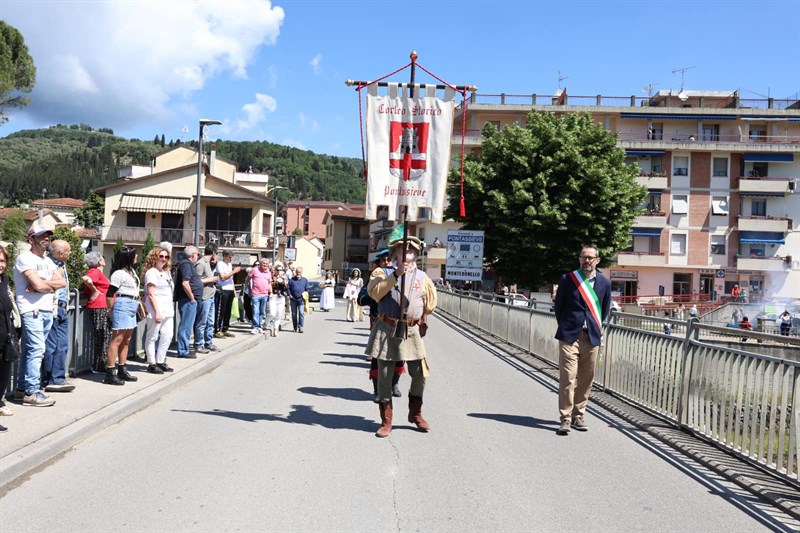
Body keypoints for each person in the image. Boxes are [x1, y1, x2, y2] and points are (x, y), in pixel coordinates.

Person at [366, 235, 436, 438]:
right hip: (387, 328)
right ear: (395, 253)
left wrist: (423, 318)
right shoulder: (382, 272)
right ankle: (386, 421)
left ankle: (415, 414)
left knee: (420, 374)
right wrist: (396, 274)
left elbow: (428, 303)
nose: (407, 253)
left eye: (411, 250)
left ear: (416, 254)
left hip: (411, 330)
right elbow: (376, 294)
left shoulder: (423, 277)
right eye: (403, 249)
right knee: (385, 377)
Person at [553, 245, 612, 435]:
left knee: (586, 379)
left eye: (590, 258)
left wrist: (593, 327)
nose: (587, 261)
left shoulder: (604, 283)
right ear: (579, 259)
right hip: (570, 336)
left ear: (597, 260)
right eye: (584, 257)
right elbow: (559, 307)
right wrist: (568, 326)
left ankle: (579, 415)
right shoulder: (568, 279)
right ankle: (565, 418)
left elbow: (604, 309)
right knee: (568, 377)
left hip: (591, 337)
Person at [14, 226, 65, 406]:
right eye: (41, 236)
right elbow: (40, 285)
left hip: (45, 309)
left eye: (48, 236)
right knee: (37, 350)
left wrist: (42, 284)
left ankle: (21, 389)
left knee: (29, 350)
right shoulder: (24, 258)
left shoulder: (48, 261)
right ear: (31, 239)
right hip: (31, 309)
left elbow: (62, 282)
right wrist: (43, 285)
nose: (46, 238)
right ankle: (32, 392)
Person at [363, 249, 405, 402]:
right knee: (377, 357)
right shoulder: (378, 273)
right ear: (379, 262)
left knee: (400, 357)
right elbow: (370, 295)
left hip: (400, 322)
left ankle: (394, 384)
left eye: (390, 259)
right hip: (381, 318)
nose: (387, 262)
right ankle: (377, 390)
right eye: (384, 260)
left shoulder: (403, 272)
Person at [42, 239, 75, 393]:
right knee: (51, 345)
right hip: (52, 308)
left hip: (63, 307)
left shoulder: (62, 265)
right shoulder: (47, 264)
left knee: (62, 345)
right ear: (61, 253)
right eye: (68, 251)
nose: (70, 254)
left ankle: (58, 378)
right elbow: (41, 284)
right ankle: (47, 378)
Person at [104, 246, 141, 385]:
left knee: (126, 339)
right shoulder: (118, 274)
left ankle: (122, 368)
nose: (136, 257)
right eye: (134, 255)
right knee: (117, 339)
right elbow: (109, 294)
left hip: (132, 304)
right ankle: (110, 372)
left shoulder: (131, 271)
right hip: (123, 304)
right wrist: (110, 310)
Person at [142, 247, 174, 374]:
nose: (163, 259)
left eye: (166, 257)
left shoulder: (166, 272)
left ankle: (160, 360)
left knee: (167, 335)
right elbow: (150, 293)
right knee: (152, 336)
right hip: (156, 309)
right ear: (155, 257)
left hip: (168, 309)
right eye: (161, 256)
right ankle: (151, 362)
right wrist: (157, 311)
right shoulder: (152, 272)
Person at [82, 252, 112, 373]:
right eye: (101, 257)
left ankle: (101, 363)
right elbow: (86, 279)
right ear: (99, 261)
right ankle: (99, 364)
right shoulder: (94, 271)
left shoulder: (97, 272)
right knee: (103, 336)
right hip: (98, 306)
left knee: (104, 335)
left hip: (101, 306)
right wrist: (95, 291)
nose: (103, 259)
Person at [0, 247, 18, 429]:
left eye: (3, 261)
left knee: (3, 378)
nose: (1, 264)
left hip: (6, 338)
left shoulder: (4, 281)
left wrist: (14, 335)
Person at [174, 245, 202, 359]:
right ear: (192, 255)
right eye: (197, 254)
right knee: (186, 326)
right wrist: (191, 298)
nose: (198, 256)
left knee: (187, 326)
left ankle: (184, 349)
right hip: (187, 300)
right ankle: (183, 351)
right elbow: (185, 283)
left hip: (188, 300)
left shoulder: (188, 264)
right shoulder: (186, 264)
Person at [193, 244, 219, 353]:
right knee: (202, 322)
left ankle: (208, 342)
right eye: (216, 254)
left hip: (211, 296)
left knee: (210, 321)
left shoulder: (208, 263)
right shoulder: (201, 263)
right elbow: (196, 280)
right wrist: (211, 279)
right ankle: (199, 343)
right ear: (213, 253)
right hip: (204, 297)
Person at [213, 250, 242, 339]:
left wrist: (233, 290)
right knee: (221, 310)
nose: (231, 258)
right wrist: (234, 271)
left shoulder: (229, 264)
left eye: (232, 256)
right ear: (225, 256)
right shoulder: (220, 264)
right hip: (223, 289)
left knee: (228, 311)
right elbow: (223, 277)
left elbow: (231, 279)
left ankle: (225, 328)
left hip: (229, 289)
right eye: (229, 256)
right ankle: (217, 329)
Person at [248, 258, 272, 334]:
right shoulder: (255, 270)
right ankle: (255, 327)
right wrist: (249, 290)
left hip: (264, 294)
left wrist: (270, 292)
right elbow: (248, 279)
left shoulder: (268, 272)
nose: (265, 265)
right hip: (255, 294)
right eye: (263, 264)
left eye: (266, 264)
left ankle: (259, 326)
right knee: (256, 311)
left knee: (261, 312)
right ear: (261, 264)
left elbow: (269, 283)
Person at [267, 262, 288, 337]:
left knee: (278, 314)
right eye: (277, 270)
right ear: (275, 270)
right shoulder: (271, 277)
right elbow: (269, 285)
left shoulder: (283, 278)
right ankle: (266, 323)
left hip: (281, 297)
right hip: (274, 296)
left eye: (280, 270)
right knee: (272, 313)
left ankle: (276, 329)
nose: (279, 271)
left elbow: (286, 288)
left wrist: (285, 283)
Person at [287, 266, 309, 333]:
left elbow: (307, 289)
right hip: (293, 299)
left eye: (299, 272)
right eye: (297, 272)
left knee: (301, 313)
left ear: (301, 272)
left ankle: (301, 327)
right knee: (294, 314)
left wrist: (305, 295)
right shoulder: (291, 280)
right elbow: (288, 288)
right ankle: (295, 327)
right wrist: (290, 295)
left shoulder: (305, 280)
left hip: (301, 299)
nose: (298, 273)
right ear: (295, 272)